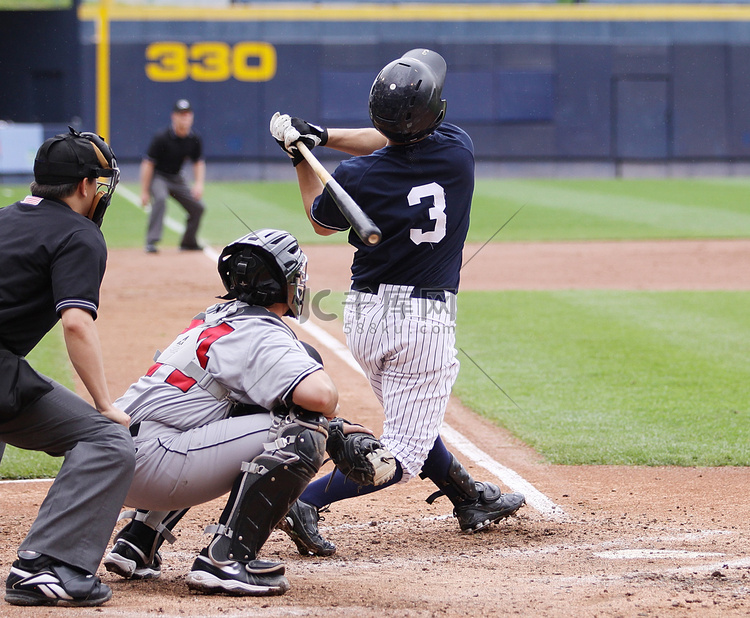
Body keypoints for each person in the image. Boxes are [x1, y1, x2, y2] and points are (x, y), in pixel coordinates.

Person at [269, 48, 526, 557]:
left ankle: (467, 496)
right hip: (422, 325)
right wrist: (318, 140)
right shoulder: (458, 151)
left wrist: (305, 155)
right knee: (402, 456)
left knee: (413, 420)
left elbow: (320, 220)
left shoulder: (359, 177)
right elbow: (395, 136)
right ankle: (303, 501)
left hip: (365, 317)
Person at [102, 229, 379, 596]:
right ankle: (226, 560)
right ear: (286, 283)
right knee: (305, 428)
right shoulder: (260, 331)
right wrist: (335, 428)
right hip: (154, 466)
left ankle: (138, 540)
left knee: (220, 415)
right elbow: (319, 395)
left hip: (112, 462)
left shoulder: (213, 318)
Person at [0, 128, 135, 607]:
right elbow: (76, 323)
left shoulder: (5, 217)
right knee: (106, 441)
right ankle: (45, 566)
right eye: (97, 182)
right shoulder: (80, 235)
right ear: (83, 186)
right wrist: (105, 405)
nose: (100, 192)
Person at [141, 98, 206, 253]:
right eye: (181, 114)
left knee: (198, 207)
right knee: (161, 199)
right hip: (159, 177)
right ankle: (151, 241)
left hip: (177, 178)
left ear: (192, 117)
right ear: (174, 116)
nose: (185, 118)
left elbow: (198, 162)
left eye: (187, 114)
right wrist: (144, 191)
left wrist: (198, 184)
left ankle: (188, 242)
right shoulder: (162, 137)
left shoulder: (194, 138)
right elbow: (148, 163)